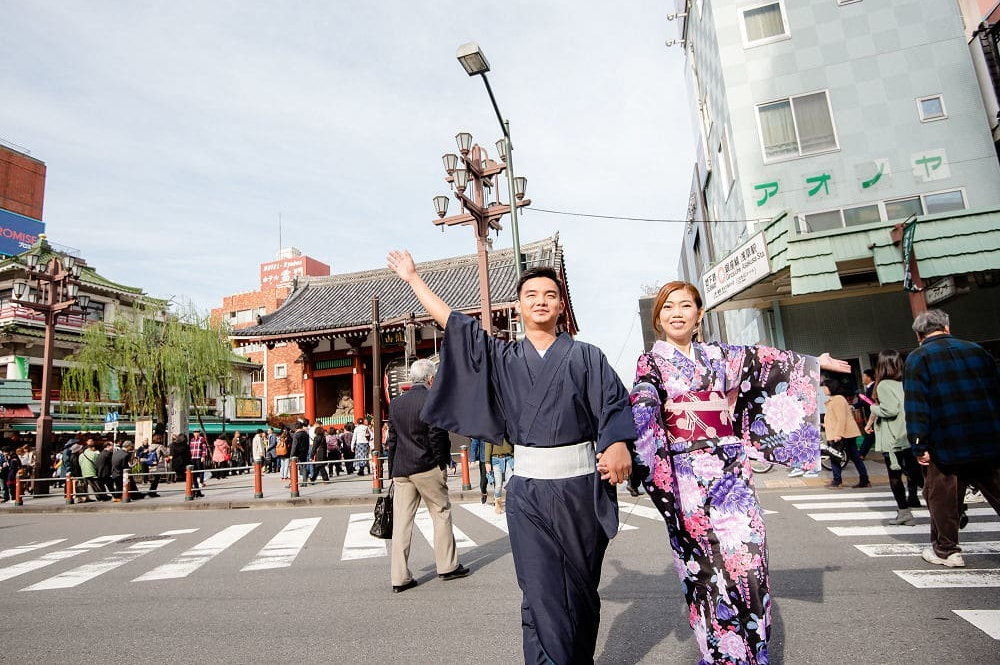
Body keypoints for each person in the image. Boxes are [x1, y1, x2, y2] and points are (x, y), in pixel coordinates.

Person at [388, 250, 635, 665]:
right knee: (540, 591)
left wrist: (616, 443)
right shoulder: (502, 358)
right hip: (529, 494)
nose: (541, 300)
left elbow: (614, 405)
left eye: (549, 294)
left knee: (580, 591)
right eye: (531, 294)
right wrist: (413, 279)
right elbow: (455, 325)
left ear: (561, 305)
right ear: (518, 306)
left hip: (580, 492)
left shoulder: (587, 356)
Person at [629, 280, 849, 665]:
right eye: (668, 307)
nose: (677, 313)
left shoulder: (719, 355)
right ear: (658, 319)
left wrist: (813, 363)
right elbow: (645, 402)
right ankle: (720, 655)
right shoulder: (651, 362)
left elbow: (768, 363)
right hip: (686, 478)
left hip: (732, 472)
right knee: (706, 571)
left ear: (699, 315)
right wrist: (633, 444)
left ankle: (753, 652)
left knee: (750, 564)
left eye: (685, 306)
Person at [903, 309, 1000, 568]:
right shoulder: (977, 351)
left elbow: (917, 404)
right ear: (947, 327)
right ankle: (944, 549)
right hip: (988, 437)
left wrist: (919, 443)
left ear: (918, 334)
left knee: (942, 498)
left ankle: (947, 550)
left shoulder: (917, 358)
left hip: (945, 442)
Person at [386, 358, 469, 593]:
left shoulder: (396, 404)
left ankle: (399, 577)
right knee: (440, 513)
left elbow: (392, 439)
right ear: (431, 378)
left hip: (402, 469)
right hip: (426, 466)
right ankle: (447, 566)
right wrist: (442, 461)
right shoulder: (433, 399)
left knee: (402, 522)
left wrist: (392, 469)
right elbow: (437, 436)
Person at [866, 350, 921, 526]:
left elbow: (889, 410)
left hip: (893, 439)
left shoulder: (883, 385)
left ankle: (904, 512)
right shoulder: (906, 382)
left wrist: (873, 409)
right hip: (909, 434)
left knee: (895, 476)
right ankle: (950, 506)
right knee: (916, 474)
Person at [823, 378, 869, 489]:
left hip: (843, 434)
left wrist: (838, 434)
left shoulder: (838, 400)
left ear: (831, 387)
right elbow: (835, 419)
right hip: (844, 433)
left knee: (835, 457)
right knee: (853, 457)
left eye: (825, 387)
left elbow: (841, 419)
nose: (823, 389)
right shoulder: (834, 399)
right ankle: (864, 479)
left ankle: (837, 481)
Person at [485, 438, 514, 514]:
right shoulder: (492, 428)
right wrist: (487, 462)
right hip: (496, 458)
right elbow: (488, 444)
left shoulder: (509, 428)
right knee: (498, 484)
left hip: (509, 458)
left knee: (511, 483)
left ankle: (511, 504)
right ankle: (497, 503)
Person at [857, 369, 877, 459]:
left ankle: (861, 454)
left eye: (864, 376)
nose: (862, 378)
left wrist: (855, 405)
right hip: (871, 414)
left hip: (873, 414)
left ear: (869, 377)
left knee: (870, 434)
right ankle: (861, 454)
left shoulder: (873, 387)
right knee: (871, 435)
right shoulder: (870, 387)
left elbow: (869, 402)